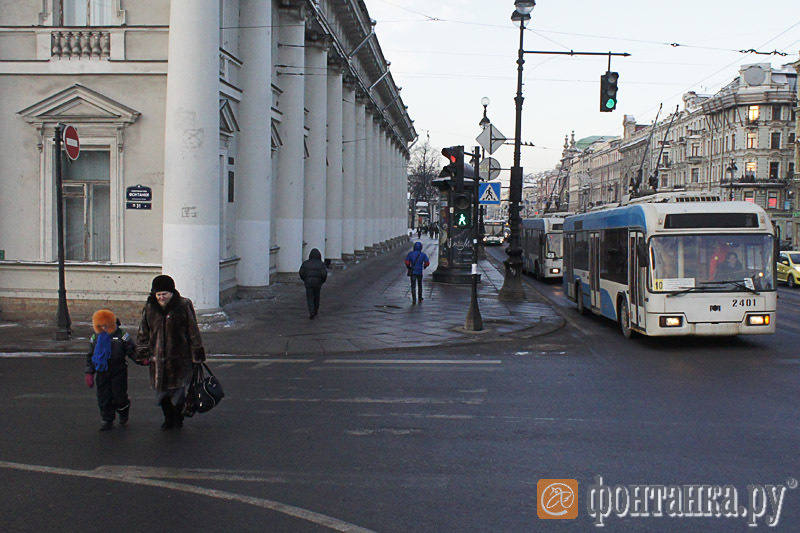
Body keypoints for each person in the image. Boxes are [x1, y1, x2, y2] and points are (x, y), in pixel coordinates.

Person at [136, 275, 206, 430]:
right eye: (158, 294)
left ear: (172, 292)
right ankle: (168, 418)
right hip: (158, 359)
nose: (161, 297)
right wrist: (142, 352)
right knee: (161, 393)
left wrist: (197, 354)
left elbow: (193, 330)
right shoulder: (149, 307)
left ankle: (177, 419)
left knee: (178, 392)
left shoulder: (183, 305)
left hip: (179, 359)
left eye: (164, 294)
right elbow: (143, 331)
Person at [85, 309, 144, 431]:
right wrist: (89, 372)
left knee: (119, 395)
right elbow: (90, 356)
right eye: (100, 326)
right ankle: (107, 419)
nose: (104, 328)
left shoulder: (122, 335)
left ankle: (123, 411)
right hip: (102, 370)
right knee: (104, 396)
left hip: (118, 369)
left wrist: (141, 360)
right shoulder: (95, 337)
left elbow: (132, 351)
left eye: (106, 325)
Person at [299, 248, 328, 319]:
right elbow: (324, 274)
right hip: (318, 283)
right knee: (316, 297)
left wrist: (305, 279)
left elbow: (301, 273)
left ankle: (311, 311)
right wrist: (322, 281)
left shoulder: (305, 263)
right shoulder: (321, 264)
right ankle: (315, 310)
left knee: (309, 297)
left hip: (308, 283)